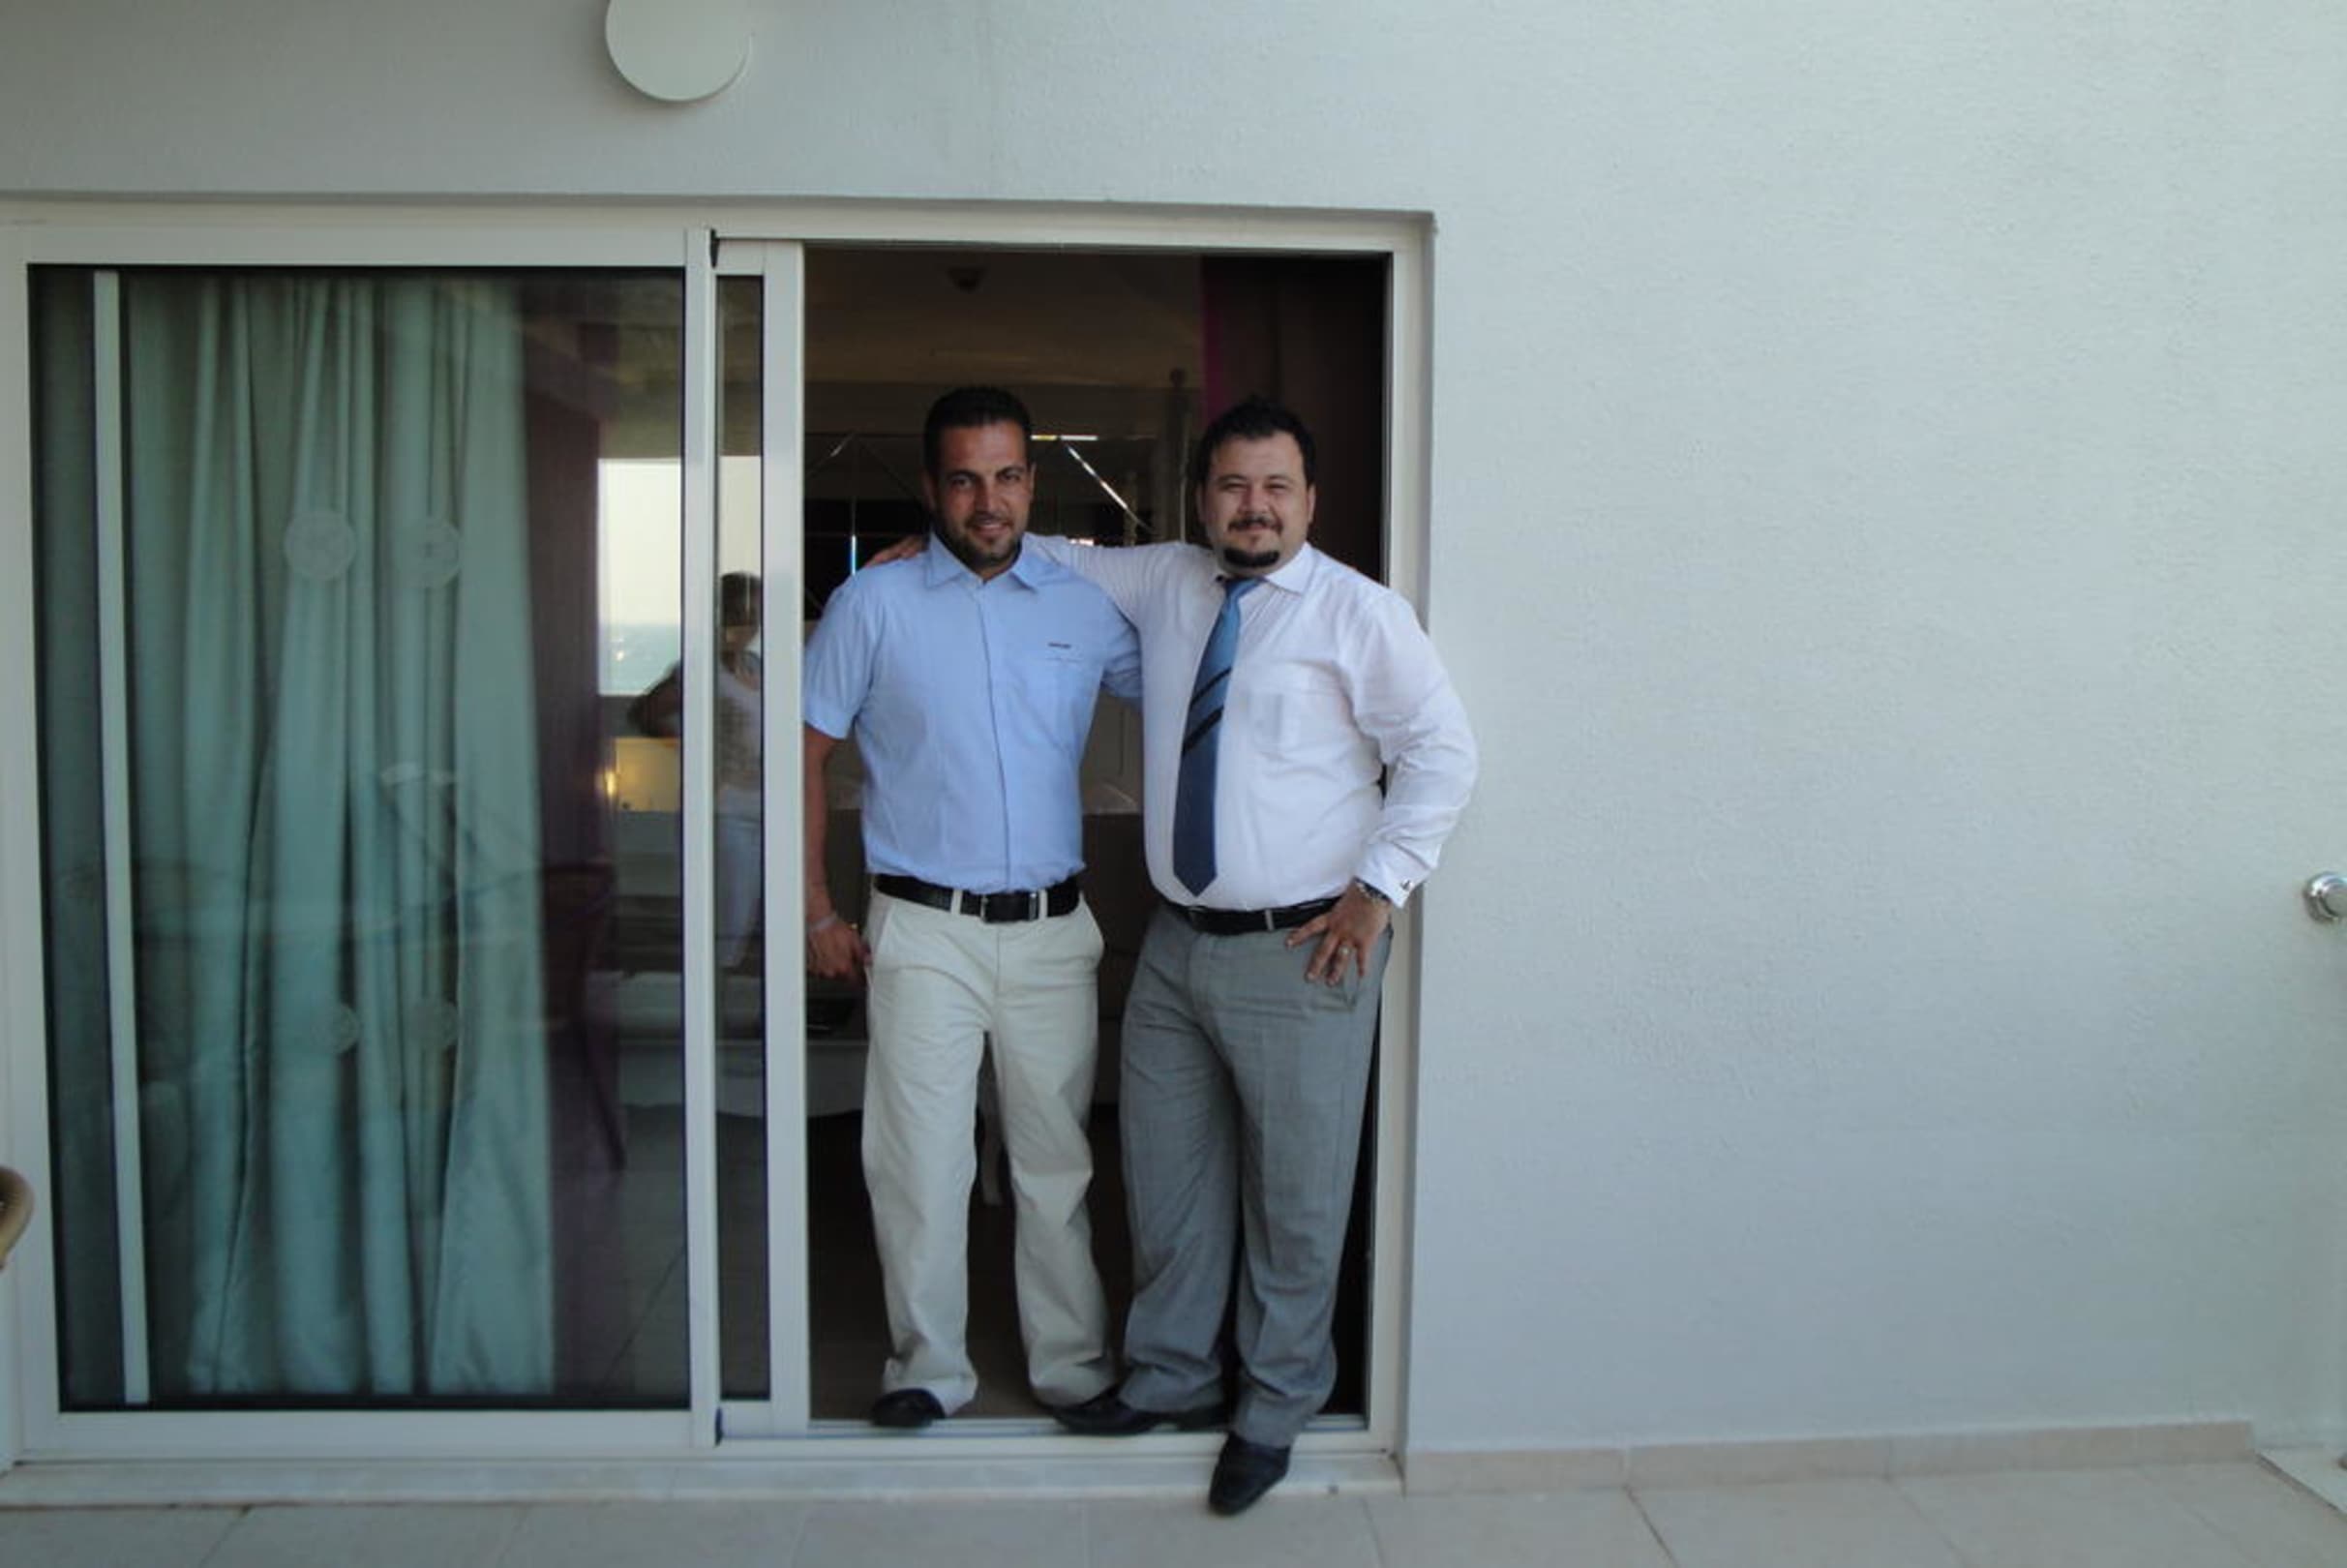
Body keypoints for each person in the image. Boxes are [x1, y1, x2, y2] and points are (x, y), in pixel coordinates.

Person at [1034, 396, 1477, 1514]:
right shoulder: (1166, 579)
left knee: (1295, 1201)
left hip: (1301, 954)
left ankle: (1274, 1407)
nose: (1254, 506)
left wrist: (1380, 888)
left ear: (1309, 501)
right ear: (1201, 498)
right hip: (1175, 949)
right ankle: (1171, 1378)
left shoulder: (1359, 614)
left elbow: (1441, 752)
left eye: (1276, 486)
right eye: (1233, 485)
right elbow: (1054, 557)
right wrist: (933, 544)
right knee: (1168, 1183)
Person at [801, 386, 1142, 1428]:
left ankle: (1071, 1368)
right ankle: (926, 1369)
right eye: (963, 479)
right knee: (918, 1163)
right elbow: (801, 756)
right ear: (931, 487)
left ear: (1032, 482)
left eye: (1004, 477)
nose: (986, 501)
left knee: (1055, 1164)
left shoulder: (1084, 607)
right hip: (922, 931)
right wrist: (816, 910)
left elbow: (1188, 692)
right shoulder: (873, 602)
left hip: (1050, 934)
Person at [629, 571, 765, 970]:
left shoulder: (756, 666)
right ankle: (715, 989)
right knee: (729, 915)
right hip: (723, 810)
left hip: (763, 808)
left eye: (755, 614)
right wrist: (694, 751)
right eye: (742, 613)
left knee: (752, 913)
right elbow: (645, 713)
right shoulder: (700, 669)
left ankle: (733, 986)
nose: (750, 624)